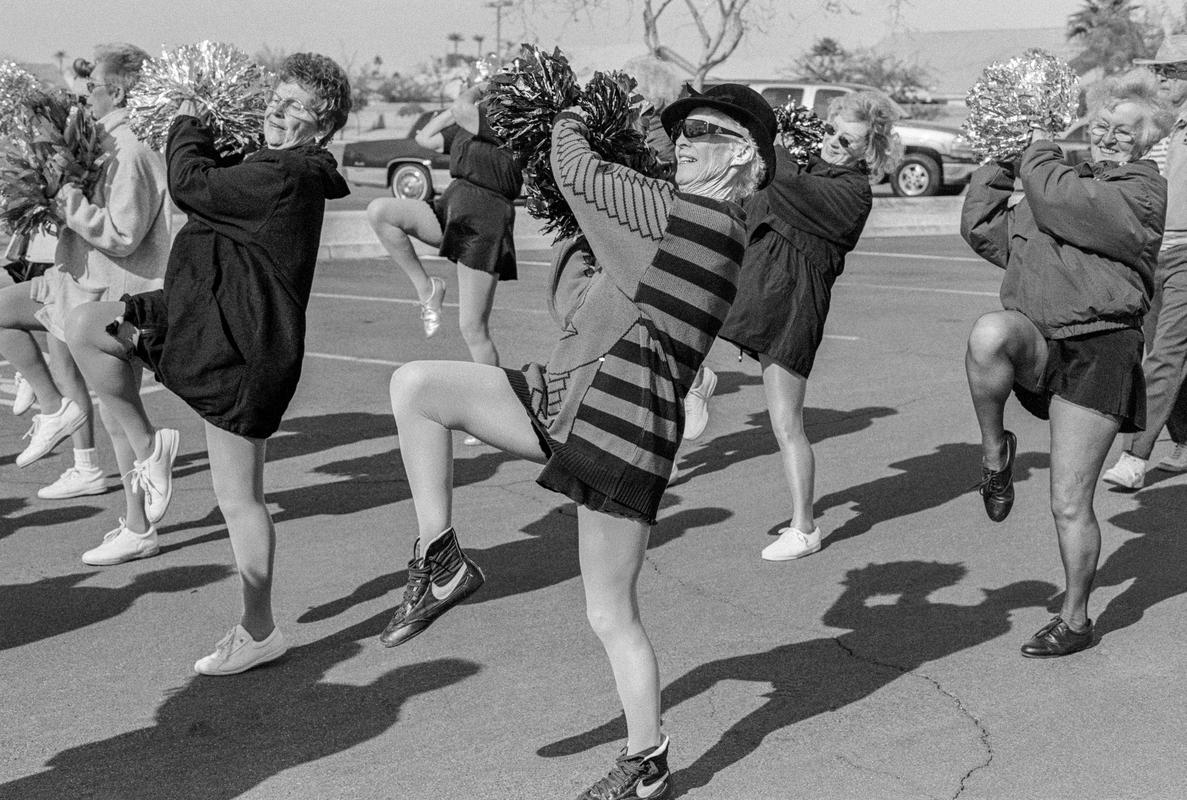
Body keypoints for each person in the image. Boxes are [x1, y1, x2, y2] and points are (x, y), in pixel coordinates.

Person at [381, 83, 775, 799]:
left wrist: (566, 111)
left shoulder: (700, 221)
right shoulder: (677, 214)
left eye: (707, 133)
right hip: (562, 397)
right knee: (415, 387)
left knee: (609, 613)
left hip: (619, 431)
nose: (686, 140)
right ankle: (439, 561)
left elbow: (580, 173)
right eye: (682, 130)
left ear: (744, 157)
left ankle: (646, 757)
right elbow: (580, 289)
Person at [67, 53, 351, 676]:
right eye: (273, 98)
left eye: (293, 105)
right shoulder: (272, 164)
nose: (276, 111)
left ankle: (259, 629)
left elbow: (193, 184)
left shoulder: (289, 175)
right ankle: (148, 450)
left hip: (238, 348)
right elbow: (218, 183)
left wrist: (189, 124)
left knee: (239, 498)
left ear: (322, 123)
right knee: (88, 326)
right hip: (198, 315)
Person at [961, 69, 1170, 658]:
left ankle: (1075, 619)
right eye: (1101, 124)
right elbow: (985, 231)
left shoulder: (1140, 193)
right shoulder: (1061, 179)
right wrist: (1002, 161)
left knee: (1068, 501)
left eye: (1124, 131)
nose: (1108, 136)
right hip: (1041, 338)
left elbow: (1059, 201)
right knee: (989, 332)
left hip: (1101, 350)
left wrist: (1037, 146)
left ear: (1148, 139)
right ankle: (995, 453)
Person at [716, 91, 901, 560]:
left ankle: (804, 527)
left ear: (869, 151)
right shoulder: (805, 169)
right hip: (756, 298)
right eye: (831, 131)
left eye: (850, 141)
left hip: (794, 308)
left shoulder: (851, 193)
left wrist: (770, 141)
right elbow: (749, 209)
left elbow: (785, 186)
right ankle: (698, 383)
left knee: (786, 424)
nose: (836, 143)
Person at [0, 44, 171, 501]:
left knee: (120, 423)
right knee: (2, 311)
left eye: (92, 85)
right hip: (76, 279)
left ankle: (140, 522)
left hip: (111, 295)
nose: (85, 93)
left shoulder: (132, 149)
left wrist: (67, 201)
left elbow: (124, 235)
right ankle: (57, 410)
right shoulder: (104, 142)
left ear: (115, 92)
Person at [365, 82, 520, 364]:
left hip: (484, 224)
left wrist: (476, 89)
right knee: (380, 211)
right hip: (450, 210)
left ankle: (492, 395)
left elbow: (463, 109)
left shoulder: (507, 128)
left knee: (473, 329)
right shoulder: (469, 127)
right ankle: (428, 289)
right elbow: (425, 137)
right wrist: (458, 108)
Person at [1103, 37, 1187, 488]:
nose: (1160, 79)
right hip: (1154, 252)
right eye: (1158, 71)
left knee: (1168, 354)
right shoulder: (1154, 125)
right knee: (1162, 354)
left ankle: (1134, 458)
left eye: (1169, 71)